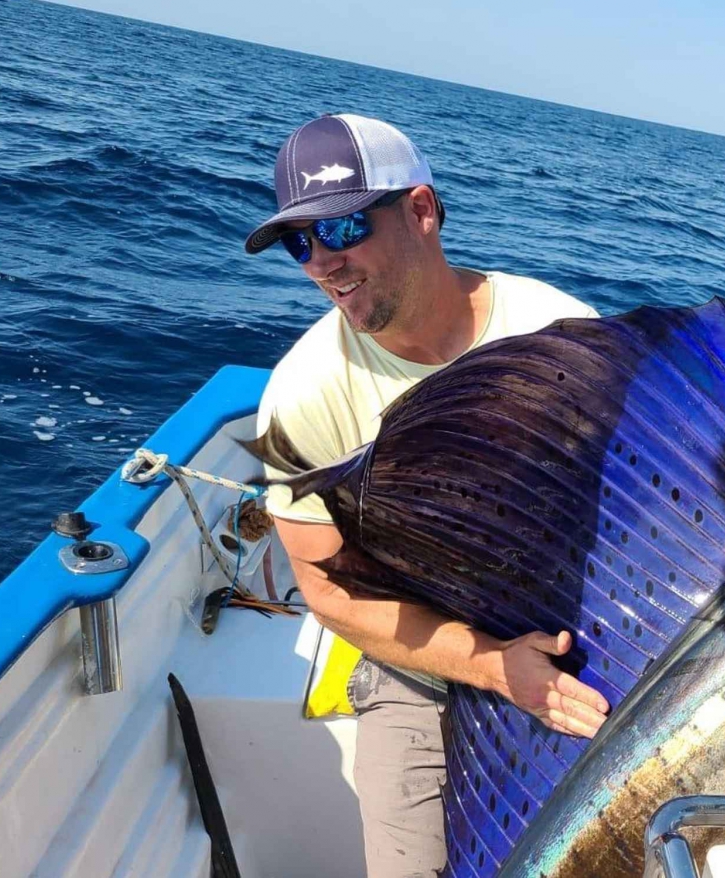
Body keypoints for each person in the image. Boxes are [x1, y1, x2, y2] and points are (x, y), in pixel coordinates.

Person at [244, 113, 611, 877]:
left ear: (421, 210)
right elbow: (332, 596)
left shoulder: (562, 332)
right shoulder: (302, 395)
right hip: (423, 663)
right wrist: (491, 666)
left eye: (342, 228)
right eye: (299, 243)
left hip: (586, 640)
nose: (323, 263)